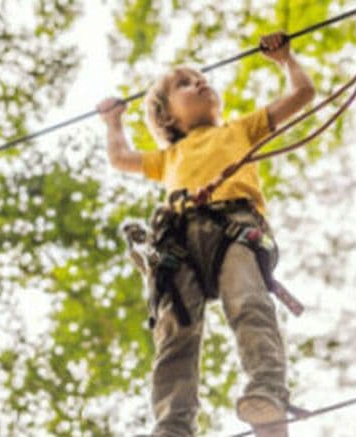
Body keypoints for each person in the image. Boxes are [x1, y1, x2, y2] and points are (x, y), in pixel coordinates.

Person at [98, 32, 315, 437]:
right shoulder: (168, 157)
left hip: (233, 230)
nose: (199, 83)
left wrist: (286, 60)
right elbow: (119, 157)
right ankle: (173, 425)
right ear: (166, 117)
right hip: (177, 243)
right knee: (175, 334)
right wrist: (114, 122)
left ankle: (266, 392)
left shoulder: (239, 130)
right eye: (184, 83)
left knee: (249, 304)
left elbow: (303, 93)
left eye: (201, 78)